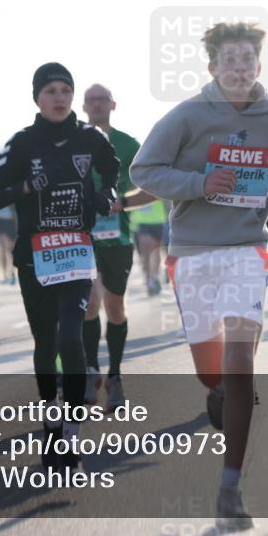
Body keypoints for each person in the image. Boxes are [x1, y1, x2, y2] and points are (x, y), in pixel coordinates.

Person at [131, 22, 268, 529]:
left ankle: (230, 487)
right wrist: (201, 183)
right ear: (212, 67)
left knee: (238, 360)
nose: (238, 68)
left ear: (258, 64)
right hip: (192, 252)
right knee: (214, 374)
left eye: (247, 59)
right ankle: (217, 391)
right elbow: (144, 170)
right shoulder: (189, 114)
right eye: (228, 60)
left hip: (246, 250)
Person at [0, 63, 119, 472]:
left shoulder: (91, 137)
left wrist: (104, 192)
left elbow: (111, 168)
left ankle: (71, 433)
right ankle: (50, 421)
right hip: (34, 254)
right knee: (45, 341)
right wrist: (25, 187)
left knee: (71, 335)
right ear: (37, 98)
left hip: (76, 249)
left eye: (65, 90)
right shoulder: (22, 143)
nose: (59, 97)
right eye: (50, 91)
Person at [80, 84, 157, 408]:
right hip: (81, 238)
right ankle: (90, 373)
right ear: (83, 107)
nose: (97, 105)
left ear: (113, 105)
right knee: (89, 304)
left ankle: (114, 375)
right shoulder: (71, 142)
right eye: (91, 100)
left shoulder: (128, 144)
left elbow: (155, 187)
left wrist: (121, 203)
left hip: (118, 239)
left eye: (102, 100)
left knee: (114, 308)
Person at [131, 200, 167, 295]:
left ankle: (154, 276)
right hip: (139, 221)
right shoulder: (132, 184)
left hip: (158, 219)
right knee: (145, 252)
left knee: (155, 250)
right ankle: (148, 278)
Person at [0, 205, 19, 285]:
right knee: (3, 250)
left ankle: (12, 273)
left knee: (11, 250)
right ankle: (4, 275)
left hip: (12, 223)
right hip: (1, 223)